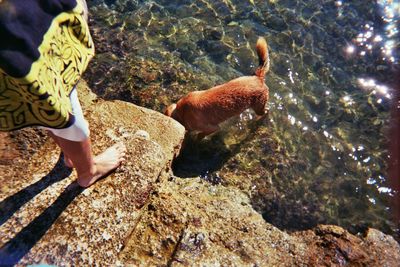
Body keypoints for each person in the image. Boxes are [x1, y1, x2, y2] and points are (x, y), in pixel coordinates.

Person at [0, 0, 126, 187]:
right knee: (66, 115)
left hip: (19, 34)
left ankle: (70, 152)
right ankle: (88, 171)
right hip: (18, 39)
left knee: (42, 105)